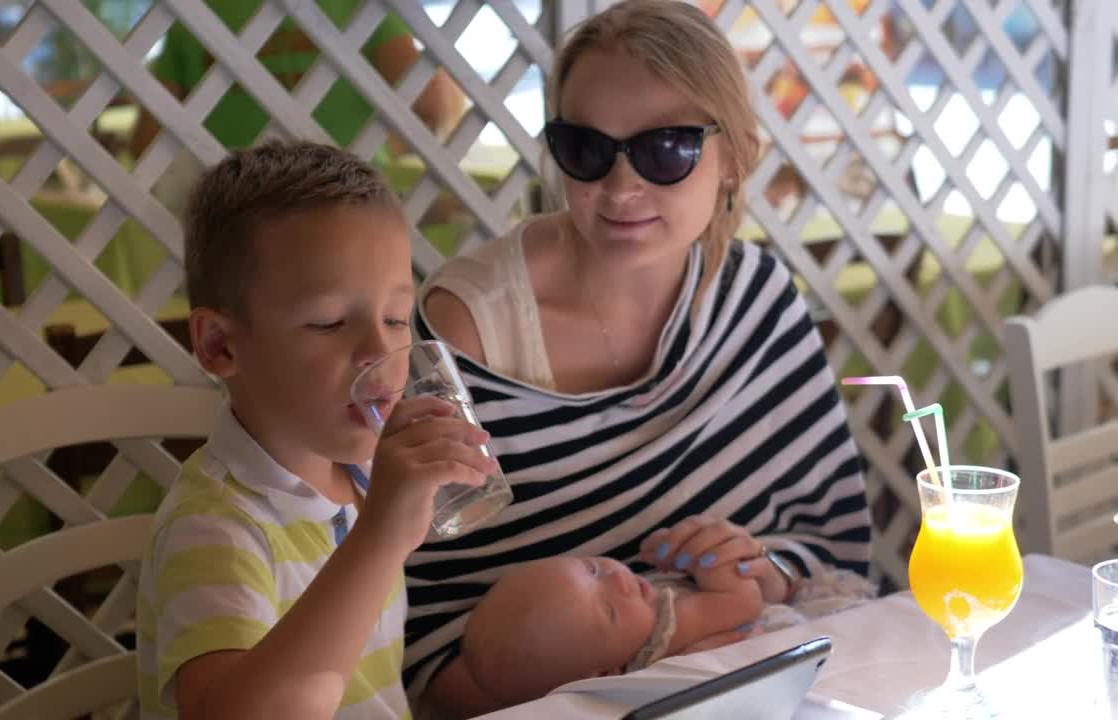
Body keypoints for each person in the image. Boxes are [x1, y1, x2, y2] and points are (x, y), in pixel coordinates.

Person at [405, 2, 873, 716]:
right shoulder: (468, 331)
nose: (621, 191)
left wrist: (752, 569)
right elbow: (421, 618)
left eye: (666, 151)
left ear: (733, 157)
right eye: (586, 150)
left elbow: (830, 541)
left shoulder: (754, 297)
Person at [135, 140, 498, 719]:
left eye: (397, 318)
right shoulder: (215, 529)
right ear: (219, 345)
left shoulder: (362, 474)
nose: (381, 350)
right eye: (329, 322)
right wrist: (379, 539)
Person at [461, 542, 877, 710]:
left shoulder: (631, 642)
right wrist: (706, 564)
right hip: (809, 640)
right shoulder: (665, 635)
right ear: (604, 673)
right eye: (609, 610)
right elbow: (742, 601)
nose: (619, 579)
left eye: (591, 569)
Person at [129, 0, 465, 158]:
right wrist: (380, 145)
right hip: (348, 204)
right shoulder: (361, 6)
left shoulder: (193, 11)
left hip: (231, 219)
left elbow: (146, 142)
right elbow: (435, 106)